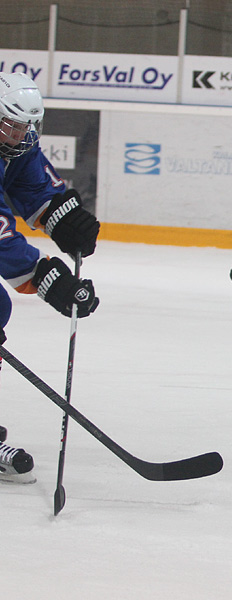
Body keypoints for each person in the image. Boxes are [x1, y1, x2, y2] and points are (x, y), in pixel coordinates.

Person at [0, 72, 101, 484]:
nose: (23, 135)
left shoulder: (14, 143)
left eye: (28, 126)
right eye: (14, 125)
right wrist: (47, 278)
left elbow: (33, 185)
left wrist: (64, 218)